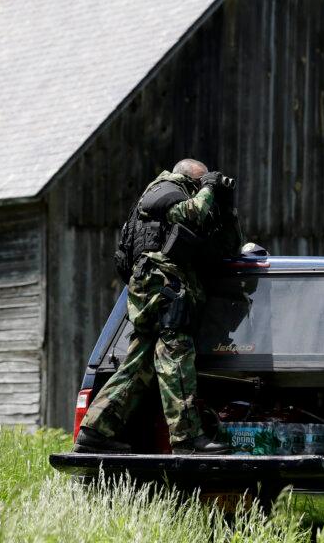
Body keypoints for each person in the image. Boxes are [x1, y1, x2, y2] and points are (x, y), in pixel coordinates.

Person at [73, 158, 241, 454]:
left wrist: (226, 206)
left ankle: (94, 431)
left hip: (156, 287)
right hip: (162, 285)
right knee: (175, 354)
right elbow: (195, 213)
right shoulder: (164, 191)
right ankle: (187, 438)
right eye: (198, 184)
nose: (202, 189)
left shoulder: (180, 198)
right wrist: (209, 187)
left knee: (139, 364)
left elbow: (230, 246)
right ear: (187, 180)